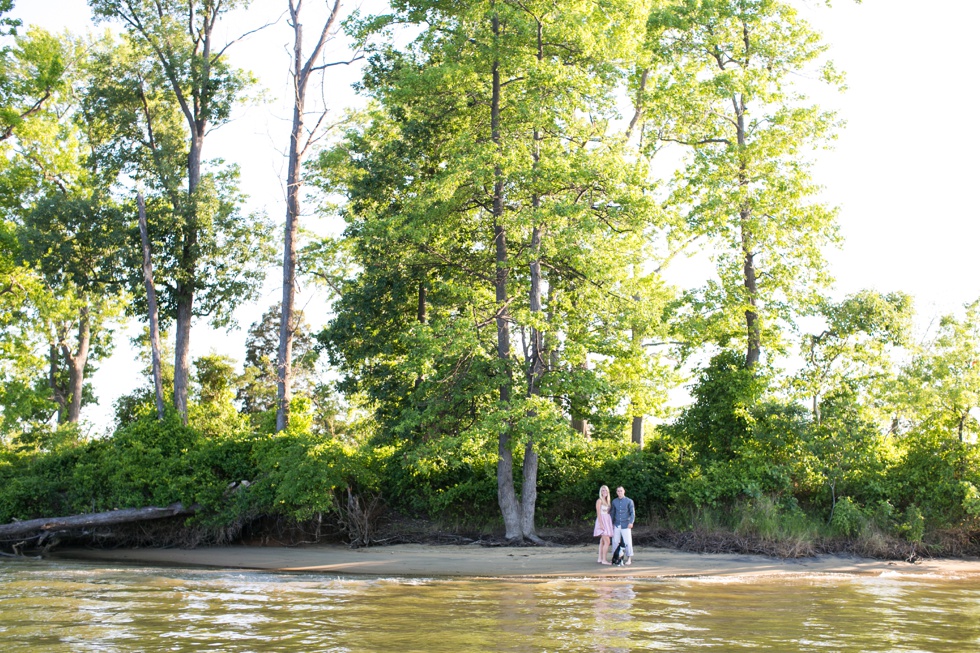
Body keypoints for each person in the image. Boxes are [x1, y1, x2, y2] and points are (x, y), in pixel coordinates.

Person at [609, 485, 635, 566]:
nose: (619, 492)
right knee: (615, 541)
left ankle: (629, 558)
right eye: (618, 491)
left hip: (626, 525)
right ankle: (615, 558)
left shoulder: (629, 501)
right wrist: (611, 523)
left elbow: (632, 513)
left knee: (627, 542)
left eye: (621, 491)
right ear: (616, 492)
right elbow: (612, 513)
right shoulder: (614, 501)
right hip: (616, 524)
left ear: (624, 491)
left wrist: (631, 522)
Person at [593, 485, 614, 564]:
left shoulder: (607, 501)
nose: (604, 492)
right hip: (601, 521)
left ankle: (600, 558)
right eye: (603, 490)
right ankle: (604, 560)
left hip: (607, 521)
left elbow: (608, 513)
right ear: (600, 492)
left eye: (606, 490)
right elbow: (598, 513)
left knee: (602, 541)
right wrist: (601, 524)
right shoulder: (599, 501)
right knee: (607, 542)